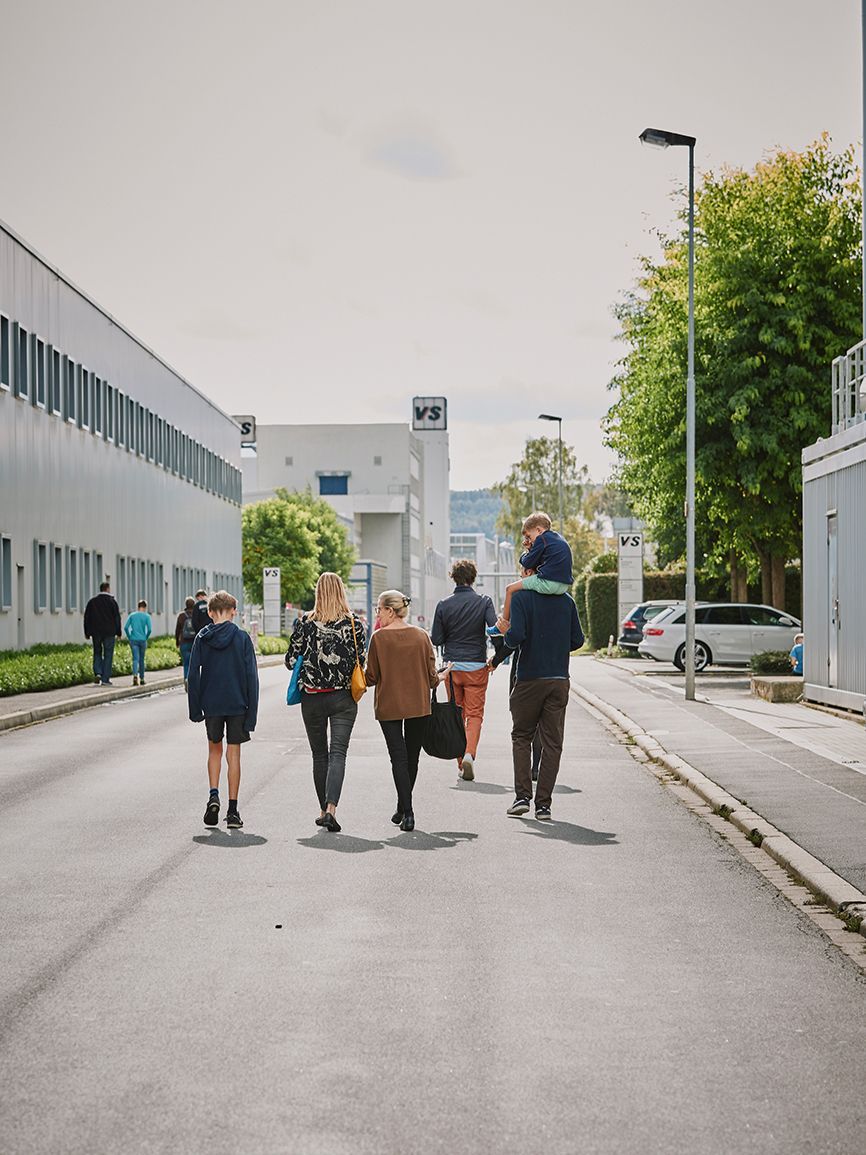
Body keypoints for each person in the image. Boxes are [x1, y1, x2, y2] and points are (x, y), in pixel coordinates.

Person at [286, 573, 366, 833]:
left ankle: (322, 810)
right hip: (343, 698)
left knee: (319, 755)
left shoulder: (305, 623)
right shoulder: (354, 624)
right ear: (342, 591)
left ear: (318, 592)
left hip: (312, 698)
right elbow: (360, 661)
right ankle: (331, 809)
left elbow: (290, 660)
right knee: (338, 753)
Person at [365, 589, 451, 831]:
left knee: (398, 757)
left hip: (388, 705)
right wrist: (441, 677)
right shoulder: (422, 636)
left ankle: (407, 809)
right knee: (412, 756)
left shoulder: (378, 639)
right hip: (418, 705)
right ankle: (404, 809)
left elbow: (371, 677)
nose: (378, 614)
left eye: (379, 609)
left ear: (390, 611)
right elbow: (431, 677)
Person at [503, 585, 584, 821]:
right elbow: (577, 640)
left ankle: (522, 798)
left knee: (521, 736)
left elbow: (515, 637)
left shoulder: (521, 598)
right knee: (552, 743)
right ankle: (543, 806)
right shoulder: (567, 601)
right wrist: (556, 646)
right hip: (559, 679)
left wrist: (506, 632)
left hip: (529, 678)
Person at [188, 590, 259, 830]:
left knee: (214, 750)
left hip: (212, 703)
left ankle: (213, 795)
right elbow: (252, 677)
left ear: (209, 613)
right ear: (233, 612)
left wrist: (195, 708)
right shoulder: (241, 638)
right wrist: (252, 715)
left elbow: (193, 674)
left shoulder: (202, 637)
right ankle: (233, 810)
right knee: (234, 754)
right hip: (237, 703)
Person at [431, 559, 496, 781]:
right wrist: (497, 657)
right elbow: (494, 629)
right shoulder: (484, 602)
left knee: (456, 713)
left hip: (451, 669)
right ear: (473, 578)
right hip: (477, 666)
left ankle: (460, 761)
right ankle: (469, 754)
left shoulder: (443, 604)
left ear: (453, 577)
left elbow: (436, 638)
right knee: (474, 714)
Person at [496, 511, 574, 633]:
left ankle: (501, 625)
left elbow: (527, 563)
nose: (529, 540)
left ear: (538, 530)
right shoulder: (557, 539)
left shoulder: (541, 539)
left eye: (528, 536)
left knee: (510, 589)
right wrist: (531, 549)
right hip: (563, 586)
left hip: (549, 583)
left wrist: (524, 553)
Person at [83, 580, 122, 686]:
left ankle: (98, 672)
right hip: (109, 632)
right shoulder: (112, 602)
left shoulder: (92, 602)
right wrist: (119, 632)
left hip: (96, 632)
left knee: (97, 652)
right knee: (108, 654)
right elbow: (117, 618)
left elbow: (87, 618)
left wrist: (87, 632)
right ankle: (105, 679)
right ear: (108, 589)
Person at [124, 599, 152, 686]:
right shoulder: (147, 617)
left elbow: (126, 627)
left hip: (134, 639)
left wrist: (129, 637)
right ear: (145, 607)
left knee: (135, 659)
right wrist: (145, 637)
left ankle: (135, 675)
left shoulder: (132, 615)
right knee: (142, 659)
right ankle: (142, 678)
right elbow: (150, 629)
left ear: (138, 606)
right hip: (142, 640)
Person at [175, 596, 197, 690]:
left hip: (184, 642)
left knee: (186, 663)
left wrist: (177, 642)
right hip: (195, 642)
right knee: (194, 663)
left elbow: (177, 630)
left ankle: (186, 678)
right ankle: (193, 681)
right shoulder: (197, 615)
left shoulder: (181, 616)